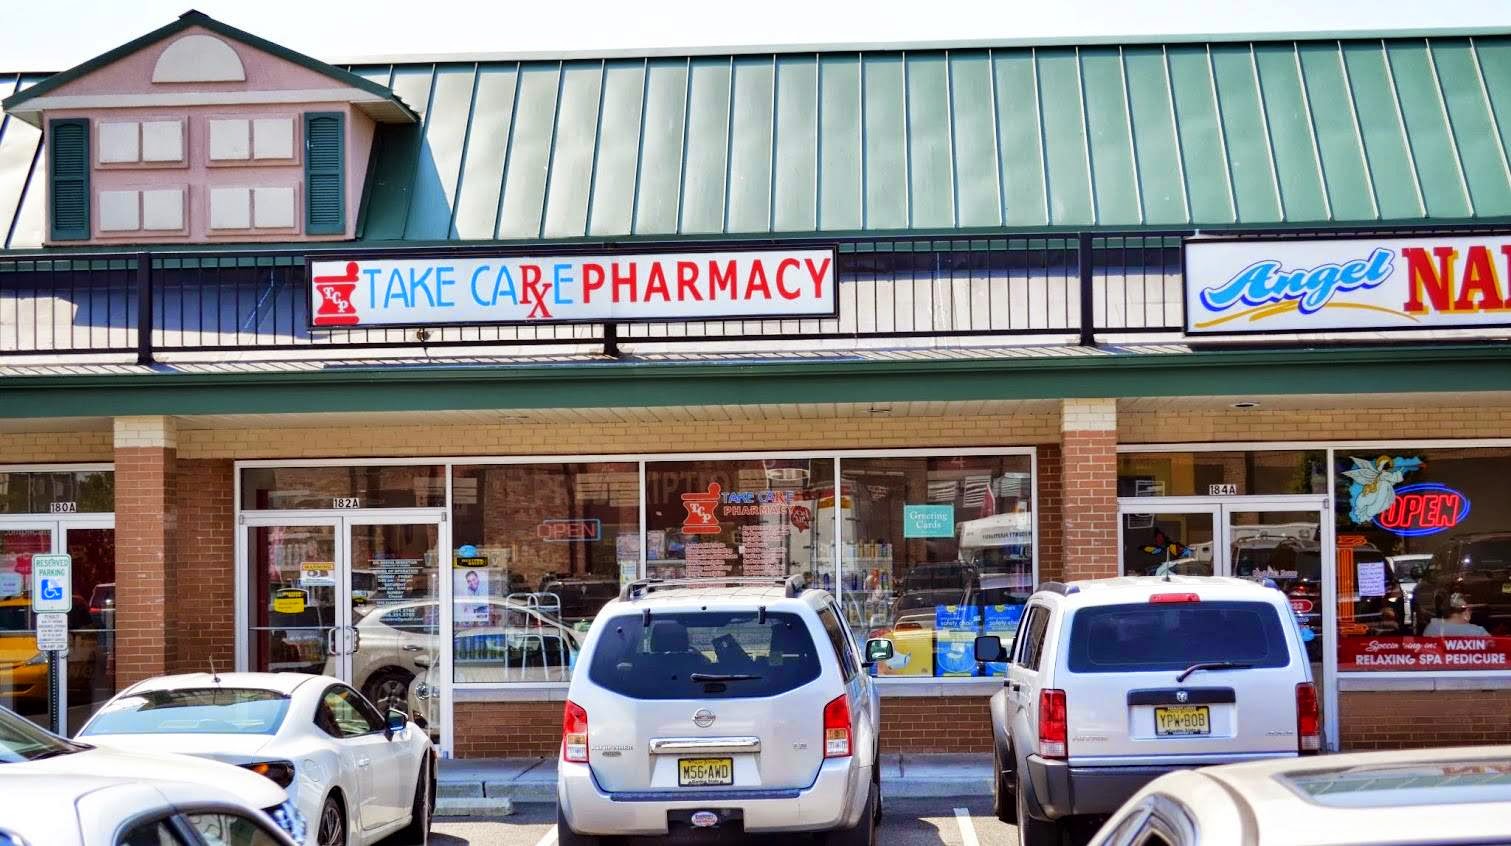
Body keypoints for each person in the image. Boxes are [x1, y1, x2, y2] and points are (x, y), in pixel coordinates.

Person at [1423, 593, 1489, 637]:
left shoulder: (1432, 628)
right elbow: (1492, 649)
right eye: (1470, 610)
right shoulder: (1477, 632)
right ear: (1466, 611)